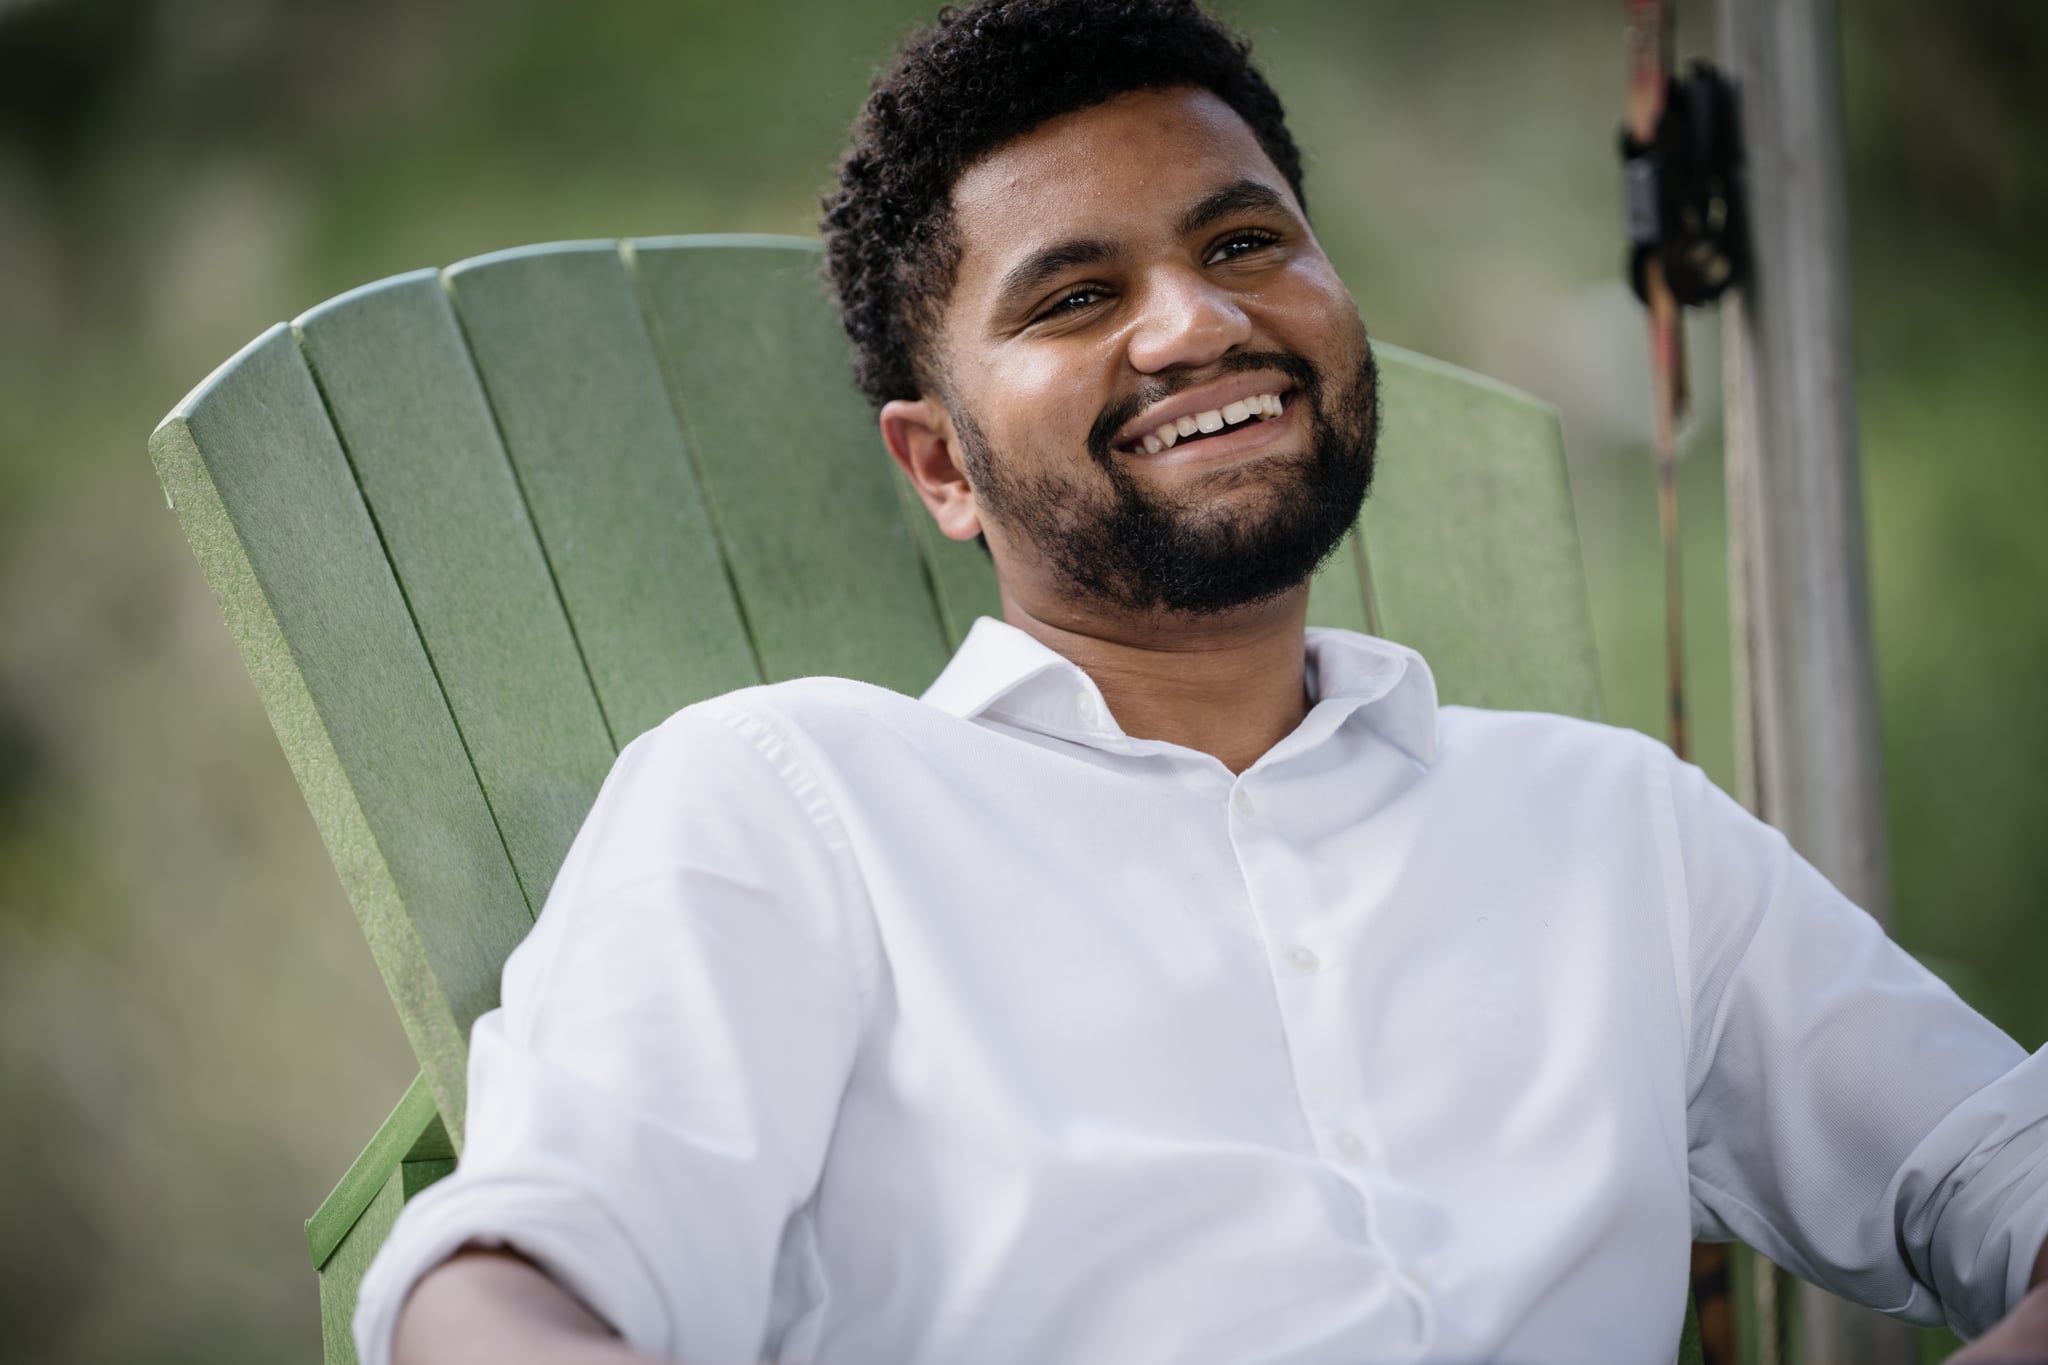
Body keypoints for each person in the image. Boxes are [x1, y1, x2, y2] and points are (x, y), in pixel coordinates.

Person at [356, 2, 2048, 1361]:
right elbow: (508, 1279)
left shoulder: (1615, 828)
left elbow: (1993, 1162)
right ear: (939, 467)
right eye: (1077, 294)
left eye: (1245, 243)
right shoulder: (796, 806)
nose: (1192, 324)